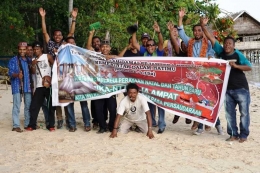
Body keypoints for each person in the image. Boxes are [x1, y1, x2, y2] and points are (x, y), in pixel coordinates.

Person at [201, 17, 251, 143]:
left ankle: (243, 135)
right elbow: (211, 37)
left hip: (241, 89)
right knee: (230, 114)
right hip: (227, 89)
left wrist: (237, 66)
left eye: (230, 44)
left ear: (234, 46)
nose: (227, 45)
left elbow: (249, 67)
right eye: (226, 43)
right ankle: (233, 134)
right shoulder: (221, 52)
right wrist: (203, 26)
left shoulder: (237, 54)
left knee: (244, 113)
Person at [177, 8, 216, 135]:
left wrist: (211, 58)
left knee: (204, 97)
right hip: (192, 74)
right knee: (194, 97)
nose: (197, 32)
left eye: (199, 30)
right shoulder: (190, 42)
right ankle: (197, 122)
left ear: (202, 32)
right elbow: (181, 33)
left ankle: (205, 123)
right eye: (195, 30)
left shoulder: (208, 43)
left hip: (204, 74)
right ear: (193, 32)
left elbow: (212, 55)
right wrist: (181, 18)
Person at [39, 7, 78, 129]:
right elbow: (44, 32)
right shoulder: (50, 44)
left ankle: (68, 120)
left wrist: (74, 19)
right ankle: (59, 119)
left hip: (65, 73)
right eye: (55, 35)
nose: (57, 36)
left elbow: (71, 33)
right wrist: (43, 17)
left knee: (65, 96)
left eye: (59, 35)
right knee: (55, 96)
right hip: (54, 73)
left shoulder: (65, 44)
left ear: (62, 36)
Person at [132, 21, 166, 134]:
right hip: (148, 84)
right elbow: (134, 43)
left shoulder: (159, 52)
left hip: (159, 84)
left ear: (155, 46)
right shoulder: (144, 52)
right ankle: (152, 122)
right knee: (150, 104)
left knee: (161, 105)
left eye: (152, 45)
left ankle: (161, 125)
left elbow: (161, 42)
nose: (150, 46)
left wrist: (159, 32)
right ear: (146, 47)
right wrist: (134, 30)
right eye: (148, 45)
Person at [25, 41, 55, 131]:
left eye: (37, 49)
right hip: (38, 86)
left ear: (41, 48)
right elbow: (33, 72)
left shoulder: (47, 56)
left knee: (50, 106)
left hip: (48, 85)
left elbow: (55, 67)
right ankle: (32, 125)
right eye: (34, 49)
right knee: (34, 106)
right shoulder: (33, 59)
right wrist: (33, 65)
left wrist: (51, 79)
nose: (36, 50)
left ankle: (51, 125)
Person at [64, 36, 92, 132]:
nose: (72, 44)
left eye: (73, 42)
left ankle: (87, 124)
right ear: (66, 44)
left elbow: (87, 63)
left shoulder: (80, 54)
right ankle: (72, 125)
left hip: (80, 82)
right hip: (67, 83)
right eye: (69, 43)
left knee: (84, 104)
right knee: (69, 104)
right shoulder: (62, 55)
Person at [167, 21, 192, 125]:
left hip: (190, 79)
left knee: (188, 97)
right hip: (180, 78)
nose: (185, 46)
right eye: (183, 45)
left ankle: (187, 116)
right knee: (179, 96)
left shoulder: (193, 55)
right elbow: (174, 42)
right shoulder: (180, 53)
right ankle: (177, 114)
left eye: (186, 45)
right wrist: (170, 32)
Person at [8, 42, 33, 132]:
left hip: (27, 87)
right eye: (20, 49)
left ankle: (27, 124)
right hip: (17, 86)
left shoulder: (29, 60)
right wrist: (17, 75)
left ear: (26, 50)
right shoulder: (13, 60)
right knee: (16, 106)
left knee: (28, 106)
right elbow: (10, 73)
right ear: (18, 50)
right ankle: (16, 125)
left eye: (24, 49)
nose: (22, 51)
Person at [86, 29, 107, 129]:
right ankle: (95, 121)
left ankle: (104, 120)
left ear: (101, 43)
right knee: (94, 102)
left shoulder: (105, 53)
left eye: (97, 41)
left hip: (105, 82)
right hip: (94, 81)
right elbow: (88, 46)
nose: (95, 43)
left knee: (105, 102)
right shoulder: (92, 53)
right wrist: (91, 34)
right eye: (94, 42)